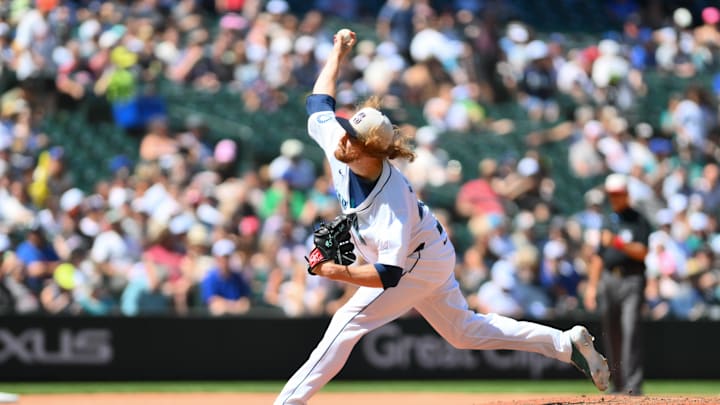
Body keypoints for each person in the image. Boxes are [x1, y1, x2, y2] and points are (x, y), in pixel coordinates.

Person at [274, 29, 610, 405]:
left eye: (352, 136)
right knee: (463, 332)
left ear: (372, 150)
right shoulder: (341, 144)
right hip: (430, 248)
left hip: (415, 260)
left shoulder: (391, 200)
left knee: (345, 324)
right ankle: (564, 343)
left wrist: (336, 272)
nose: (343, 137)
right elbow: (318, 103)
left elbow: (389, 275)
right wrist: (337, 51)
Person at [584, 173, 651, 396]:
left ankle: (633, 385)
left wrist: (618, 242)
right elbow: (598, 257)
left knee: (630, 330)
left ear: (626, 194)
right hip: (608, 279)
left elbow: (642, 252)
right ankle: (618, 384)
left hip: (632, 279)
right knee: (611, 332)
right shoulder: (608, 220)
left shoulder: (638, 220)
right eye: (611, 195)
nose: (614, 198)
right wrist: (592, 286)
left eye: (618, 194)